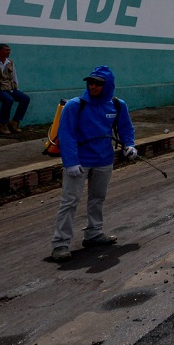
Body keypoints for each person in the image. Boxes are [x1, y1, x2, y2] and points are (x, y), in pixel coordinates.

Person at [50, 66, 136, 262]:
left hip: (104, 160)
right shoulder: (75, 105)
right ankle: (60, 244)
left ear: (108, 86)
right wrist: (70, 162)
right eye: (91, 83)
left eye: (98, 84)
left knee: (97, 198)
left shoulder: (117, 105)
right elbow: (67, 135)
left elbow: (125, 129)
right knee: (69, 202)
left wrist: (130, 146)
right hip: (79, 162)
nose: (93, 86)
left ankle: (94, 234)